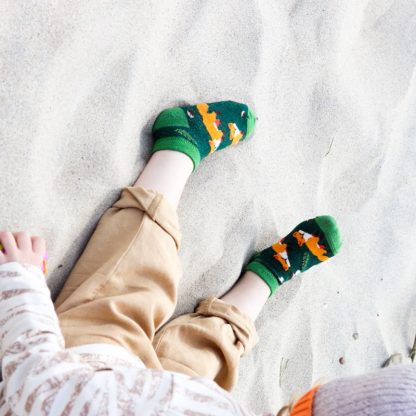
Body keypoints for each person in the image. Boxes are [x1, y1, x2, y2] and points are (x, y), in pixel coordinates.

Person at [0, 100, 414, 416]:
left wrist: (21, 286)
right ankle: (257, 285)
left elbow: (34, 383)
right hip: (183, 399)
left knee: (128, 291)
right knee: (211, 357)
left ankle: (176, 152)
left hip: (103, 373)